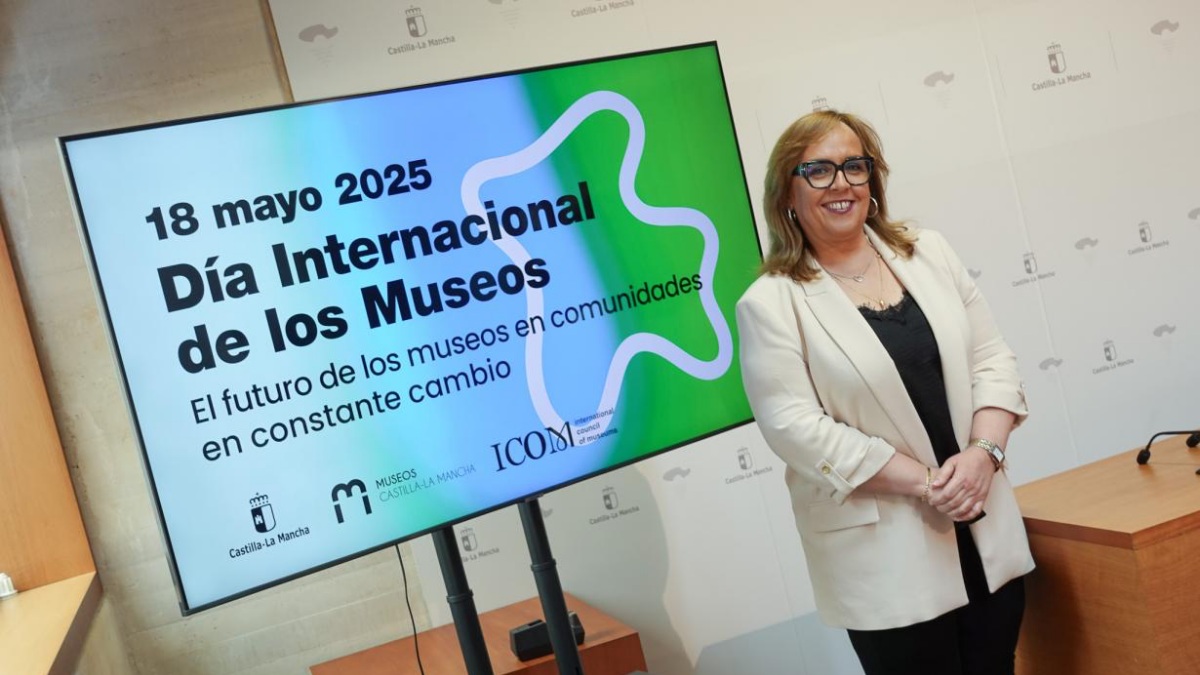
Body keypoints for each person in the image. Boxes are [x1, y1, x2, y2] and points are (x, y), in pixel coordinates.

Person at [736, 109, 1034, 675]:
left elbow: (992, 360)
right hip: (888, 566)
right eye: (818, 171)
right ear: (787, 195)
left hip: (983, 527)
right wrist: (929, 484)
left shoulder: (930, 252)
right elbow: (797, 430)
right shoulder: (770, 304)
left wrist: (983, 456)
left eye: (855, 165)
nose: (841, 183)